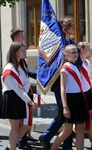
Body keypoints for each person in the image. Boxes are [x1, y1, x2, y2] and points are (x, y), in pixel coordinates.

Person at [39, 16, 82, 150]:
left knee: (67, 118)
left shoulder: (73, 43)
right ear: (64, 27)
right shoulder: (58, 44)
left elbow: (79, 62)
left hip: (73, 85)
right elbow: (51, 63)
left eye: (74, 25)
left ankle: (61, 142)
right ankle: (49, 137)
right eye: (71, 25)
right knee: (64, 115)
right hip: (61, 84)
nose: (74, 27)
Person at [51, 44, 89, 150]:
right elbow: (63, 88)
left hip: (78, 99)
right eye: (72, 52)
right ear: (66, 55)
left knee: (80, 128)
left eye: (76, 52)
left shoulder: (76, 66)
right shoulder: (65, 68)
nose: (75, 54)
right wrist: (65, 107)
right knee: (67, 130)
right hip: (70, 100)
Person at [0, 42, 35, 150]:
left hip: (20, 97)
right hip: (12, 98)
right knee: (15, 128)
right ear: (15, 52)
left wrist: (25, 88)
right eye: (22, 50)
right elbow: (16, 89)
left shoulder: (22, 65)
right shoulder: (9, 68)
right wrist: (29, 101)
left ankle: (11, 146)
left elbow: (27, 82)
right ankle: (13, 147)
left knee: (25, 126)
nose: (24, 52)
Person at [10, 28, 38, 149]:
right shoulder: (12, 55)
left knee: (25, 120)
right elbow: (16, 74)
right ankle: (19, 142)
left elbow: (25, 71)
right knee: (20, 122)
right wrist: (22, 84)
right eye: (22, 36)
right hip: (18, 93)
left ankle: (20, 140)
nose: (24, 38)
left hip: (24, 89)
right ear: (16, 38)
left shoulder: (21, 56)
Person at [77, 42, 92, 148]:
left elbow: (89, 77)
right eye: (88, 48)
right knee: (84, 120)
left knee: (90, 118)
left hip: (89, 92)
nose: (90, 50)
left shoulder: (87, 62)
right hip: (81, 94)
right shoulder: (78, 64)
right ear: (82, 50)